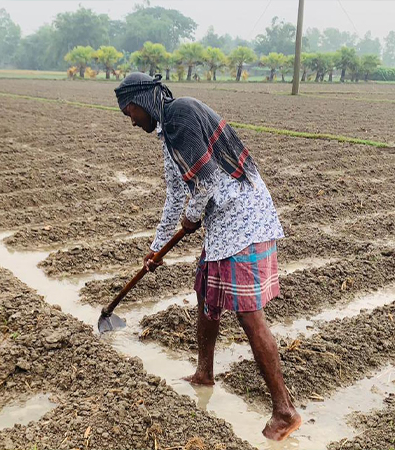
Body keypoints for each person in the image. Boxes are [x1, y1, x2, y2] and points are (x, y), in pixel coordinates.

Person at [114, 73, 301, 441]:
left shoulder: (181, 114)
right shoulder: (168, 134)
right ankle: (204, 373)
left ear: (143, 100)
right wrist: (157, 245)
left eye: (129, 110)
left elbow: (209, 181)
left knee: (248, 315)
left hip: (243, 218)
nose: (130, 119)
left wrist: (192, 216)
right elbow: (174, 196)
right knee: (206, 293)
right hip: (223, 222)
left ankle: (285, 410)